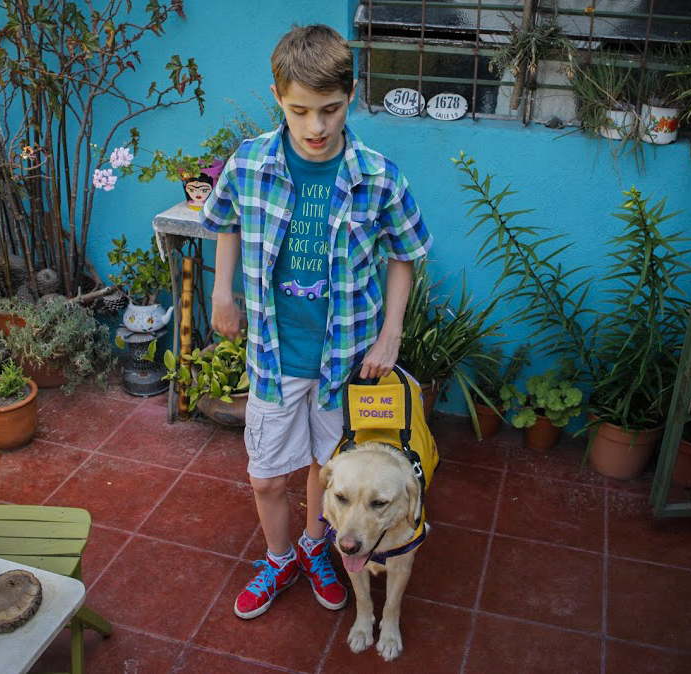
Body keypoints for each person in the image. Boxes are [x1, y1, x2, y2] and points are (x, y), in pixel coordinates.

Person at [200, 23, 432, 620]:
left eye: (329, 109)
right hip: (275, 359)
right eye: (300, 110)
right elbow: (223, 219)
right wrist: (221, 291)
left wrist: (391, 333)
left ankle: (315, 545)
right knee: (266, 476)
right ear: (277, 96)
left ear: (350, 95)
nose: (315, 127)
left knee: (326, 472)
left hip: (347, 362)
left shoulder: (379, 175)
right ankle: (280, 558)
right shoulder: (249, 162)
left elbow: (407, 252)